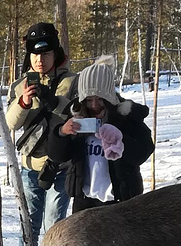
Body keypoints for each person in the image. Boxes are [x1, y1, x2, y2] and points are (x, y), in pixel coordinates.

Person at [5, 21, 77, 246]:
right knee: (28, 225)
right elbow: (11, 124)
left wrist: (53, 100)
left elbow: (77, 117)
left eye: (45, 53)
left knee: (55, 226)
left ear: (55, 54)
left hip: (61, 166)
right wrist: (23, 101)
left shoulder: (72, 82)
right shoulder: (20, 85)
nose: (40, 59)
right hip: (30, 166)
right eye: (35, 54)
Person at [44, 56, 154, 211]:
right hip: (84, 202)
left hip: (120, 201)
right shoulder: (77, 117)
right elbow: (58, 156)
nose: (94, 105)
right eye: (89, 100)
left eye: (100, 99)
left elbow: (144, 152)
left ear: (109, 96)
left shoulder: (126, 117)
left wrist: (121, 139)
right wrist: (62, 133)